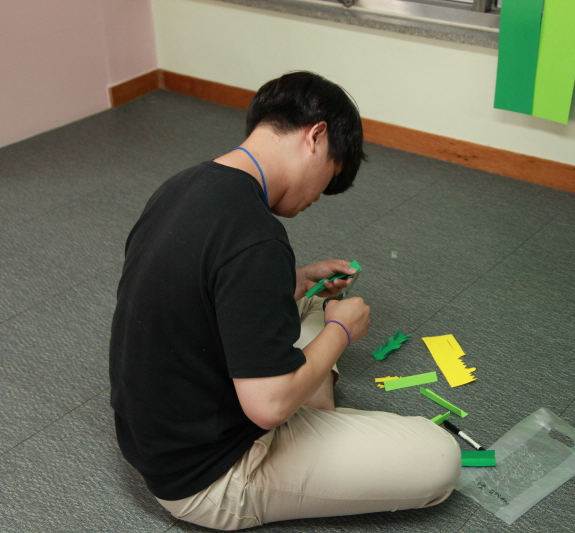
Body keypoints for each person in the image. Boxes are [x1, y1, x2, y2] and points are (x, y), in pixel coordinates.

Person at [109, 71, 461, 530]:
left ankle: (312, 402)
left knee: (310, 302)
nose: (319, 196)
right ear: (316, 136)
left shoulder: (184, 185)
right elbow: (268, 407)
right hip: (209, 476)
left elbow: (197, 288)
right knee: (439, 456)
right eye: (330, 176)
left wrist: (293, 281)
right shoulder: (257, 238)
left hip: (156, 440)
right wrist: (341, 331)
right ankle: (309, 411)